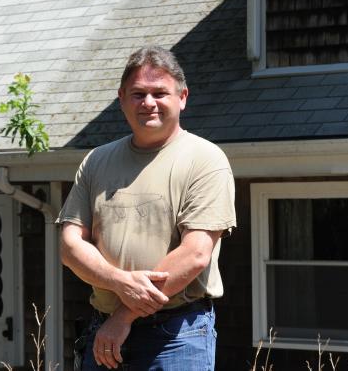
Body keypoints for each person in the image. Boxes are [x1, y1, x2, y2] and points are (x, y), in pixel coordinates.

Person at [57, 46, 236, 371]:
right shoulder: (97, 161)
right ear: (121, 98)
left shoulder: (205, 160)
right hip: (104, 332)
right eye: (138, 94)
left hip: (177, 335)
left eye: (159, 93)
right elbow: (70, 246)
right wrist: (117, 281)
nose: (148, 103)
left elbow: (196, 254)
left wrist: (125, 315)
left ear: (182, 97)